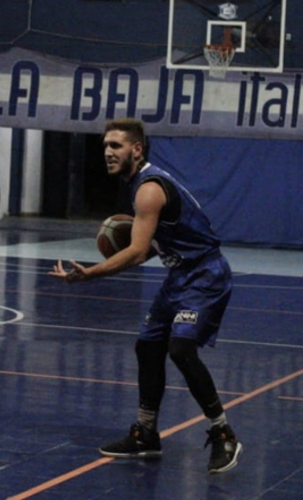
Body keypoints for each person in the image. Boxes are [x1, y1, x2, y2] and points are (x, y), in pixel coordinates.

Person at [49, 118, 242, 474]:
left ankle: (223, 433)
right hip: (180, 274)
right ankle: (146, 433)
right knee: (147, 345)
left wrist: (89, 273)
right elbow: (156, 244)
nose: (108, 152)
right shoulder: (141, 184)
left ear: (136, 149)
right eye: (105, 146)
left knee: (181, 349)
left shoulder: (149, 188)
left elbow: (138, 253)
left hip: (205, 274)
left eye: (116, 146)